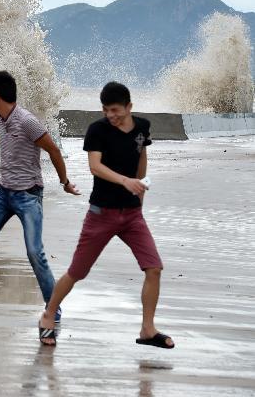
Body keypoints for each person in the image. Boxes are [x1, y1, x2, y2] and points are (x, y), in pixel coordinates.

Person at [38, 82, 173, 349]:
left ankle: (148, 329)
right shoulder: (97, 130)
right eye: (106, 110)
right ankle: (48, 316)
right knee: (77, 272)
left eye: (115, 110)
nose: (111, 115)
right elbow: (95, 167)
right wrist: (125, 181)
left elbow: (141, 156)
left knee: (154, 268)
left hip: (133, 215)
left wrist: (140, 188)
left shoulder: (142, 127)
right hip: (102, 214)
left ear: (129, 107)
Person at [0, 71, 80, 318]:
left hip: (29, 196)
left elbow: (54, 151)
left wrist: (64, 181)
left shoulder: (27, 121)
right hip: (3, 194)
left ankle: (52, 306)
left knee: (35, 253)